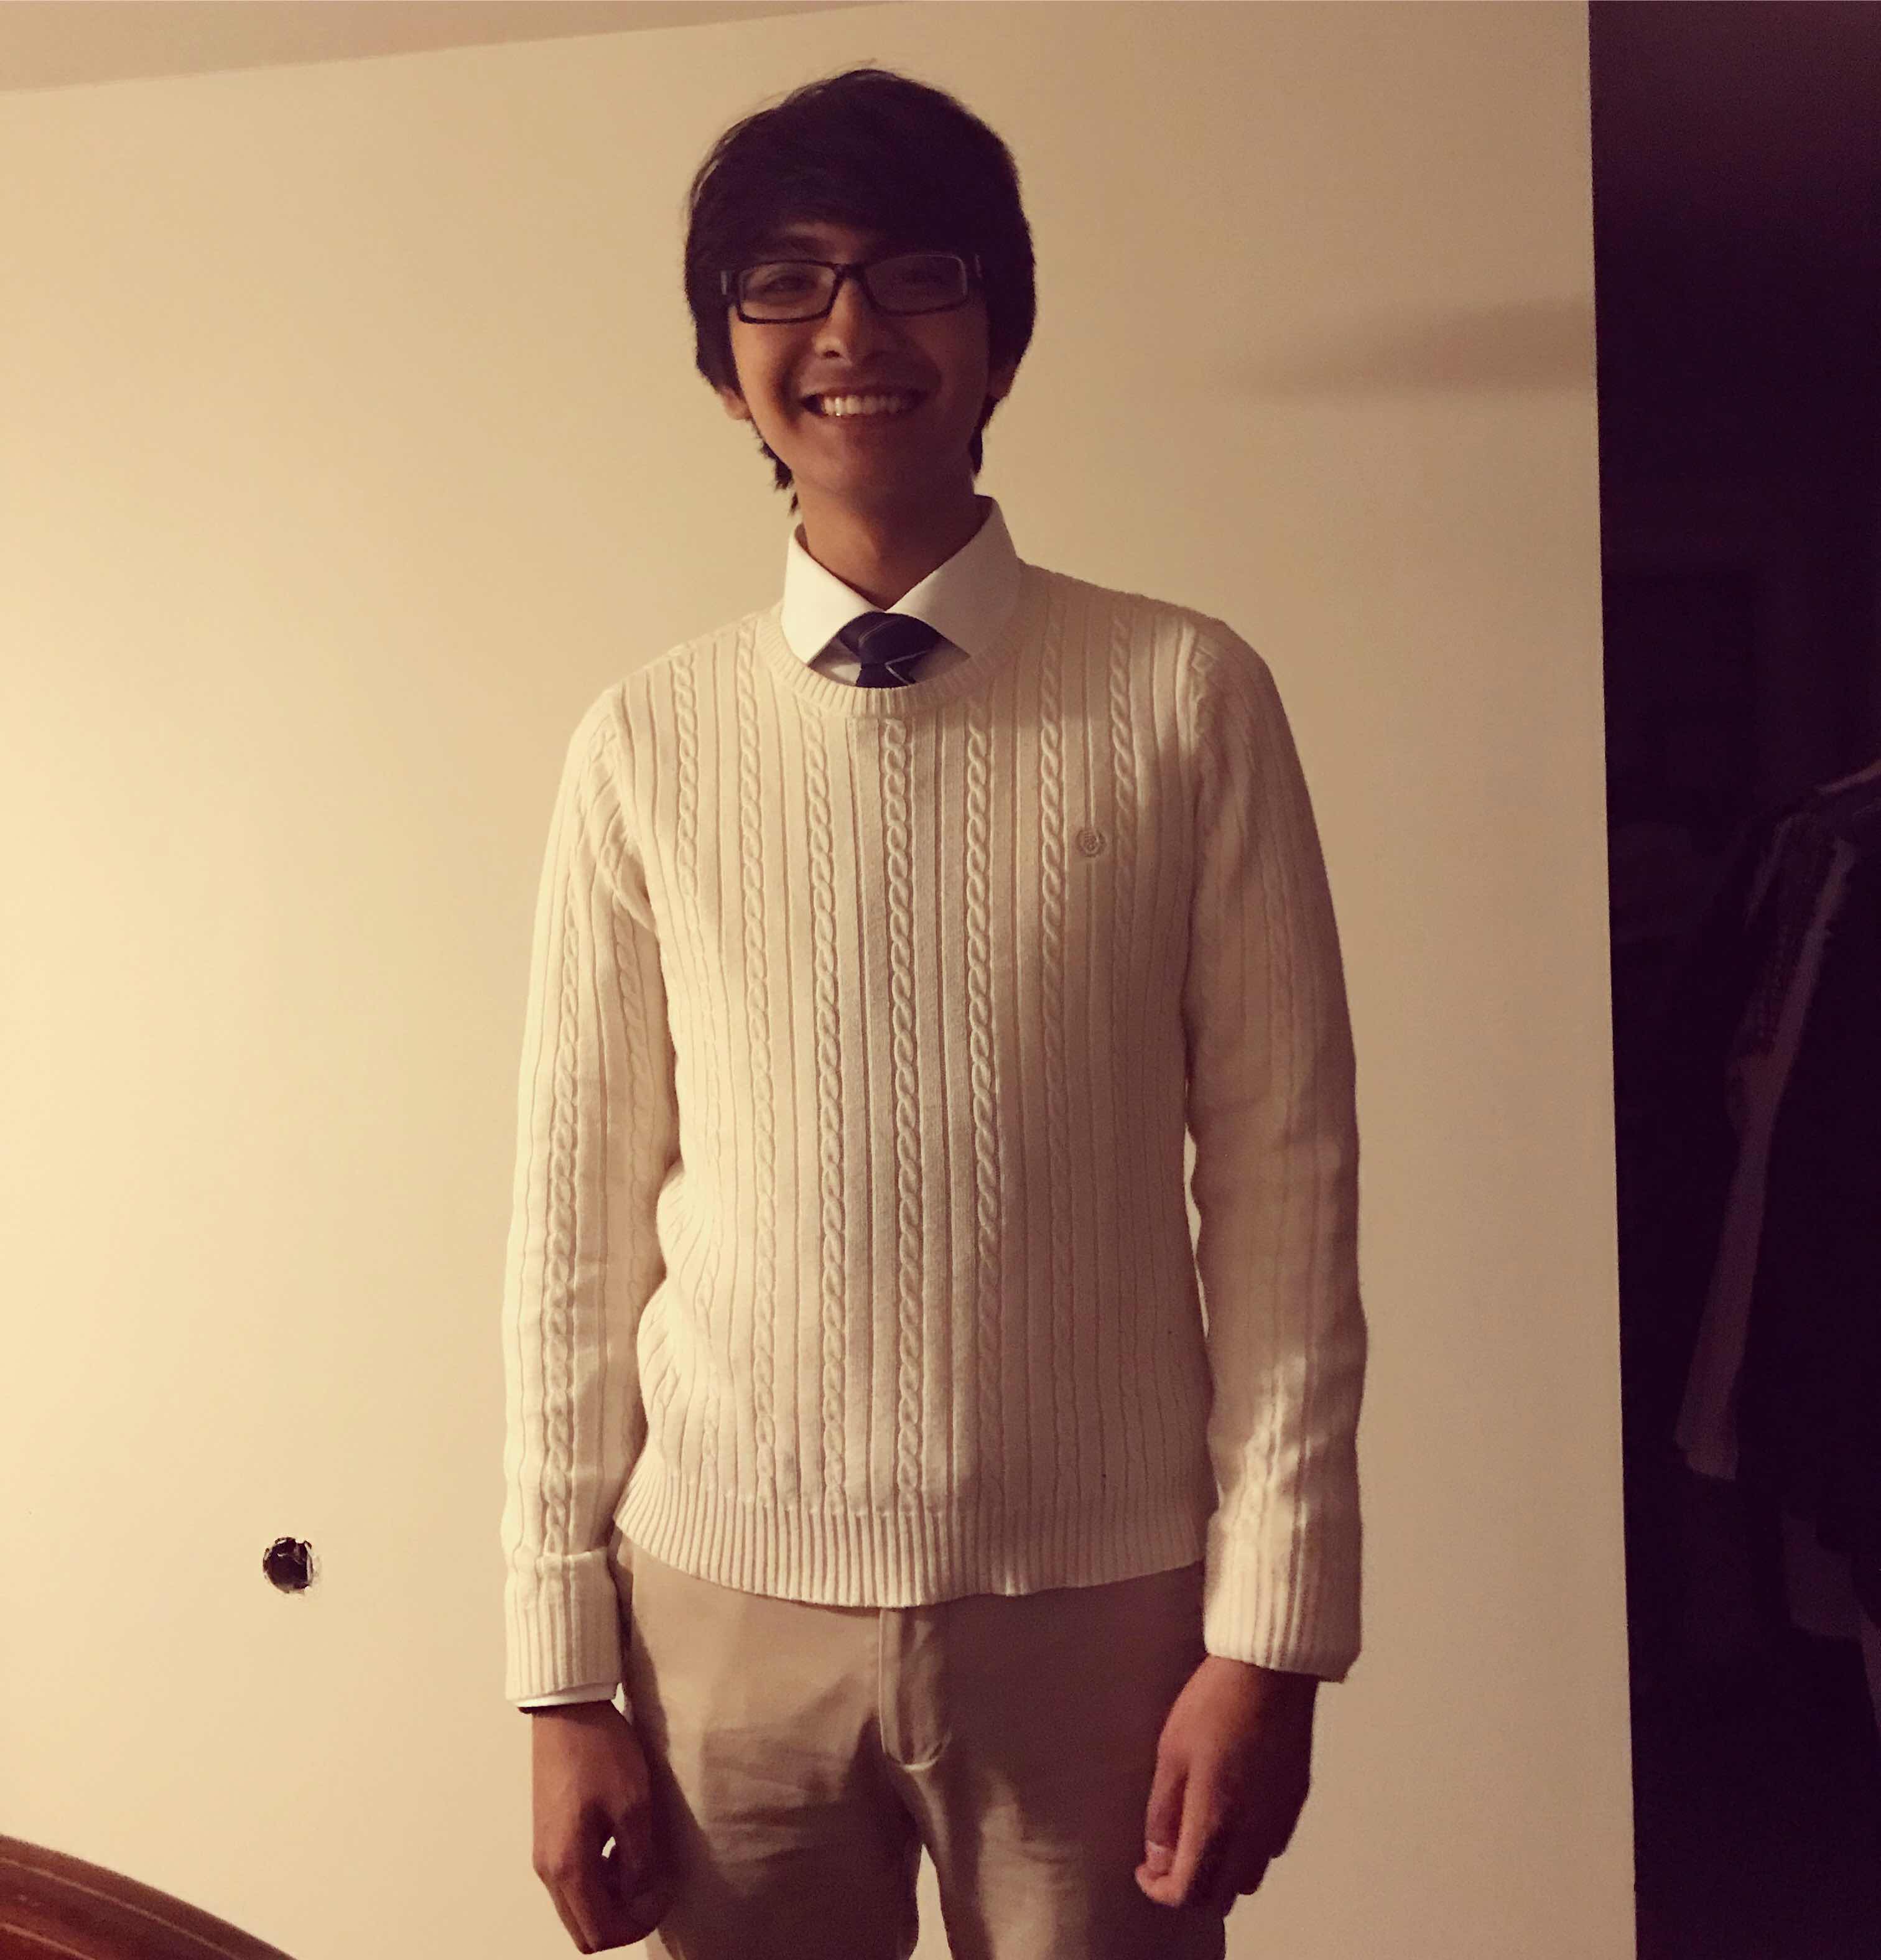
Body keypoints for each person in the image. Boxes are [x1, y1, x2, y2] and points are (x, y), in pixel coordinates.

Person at [499, 63, 1367, 1960]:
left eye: (915, 273)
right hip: (718, 1608)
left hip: (1106, 1607)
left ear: (1001, 336)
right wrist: (558, 1671)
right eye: (785, 282)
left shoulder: (1186, 697)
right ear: (726, 366)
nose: (850, 329)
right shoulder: (644, 743)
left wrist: (1273, 1635)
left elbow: (1288, 1191)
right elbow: (574, 1230)